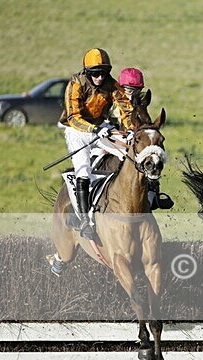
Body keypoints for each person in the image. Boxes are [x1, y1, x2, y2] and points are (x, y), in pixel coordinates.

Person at [59, 48, 134, 240]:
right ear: (87, 72)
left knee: (130, 152)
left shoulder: (111, 84)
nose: (100, 77)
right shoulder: (75, 84)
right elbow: (73, 117)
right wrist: (94, 129)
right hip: (76, 131)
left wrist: (130, 128)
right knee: (83, 171)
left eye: (104, 73)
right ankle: (84, 221)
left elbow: (125, 107)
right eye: (95, 73)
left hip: (101, 127)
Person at [106, 67, 173, 210]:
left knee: (150, 157)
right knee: (94, 158)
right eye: (129, 90)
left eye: (136, 90)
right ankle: (86, 199)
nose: (132, 94)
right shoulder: (111, 102)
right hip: (108, 141)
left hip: (130, 143)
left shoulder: (141, 107)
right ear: (122, 88)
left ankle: (154, 194)